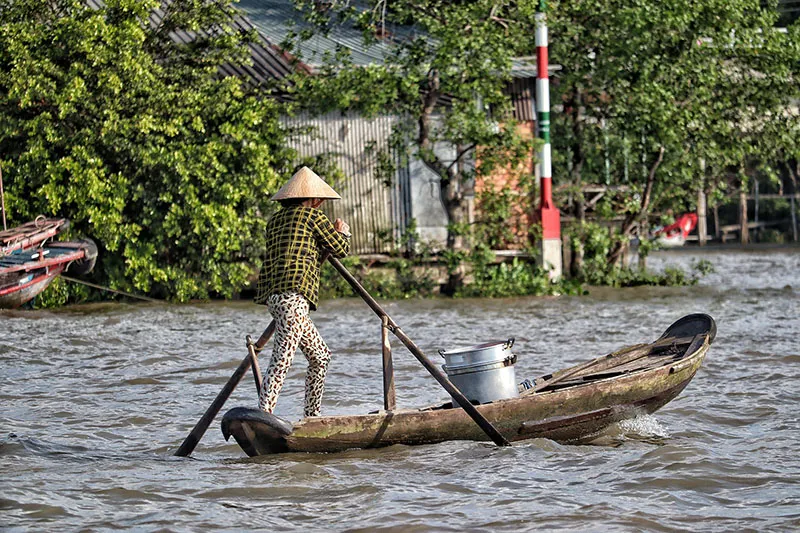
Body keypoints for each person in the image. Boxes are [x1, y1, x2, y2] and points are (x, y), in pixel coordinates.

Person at [254, 166, 351, 418]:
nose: (320, 205)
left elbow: (304, 251)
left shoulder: (274, 221)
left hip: (274, 297)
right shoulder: (312, 217)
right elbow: (339, 248)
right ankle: (264, 412)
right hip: (293, 298)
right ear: (315, 200)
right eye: (319, 201)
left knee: (321, 357)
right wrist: (342, 231)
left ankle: (312, 415)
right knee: (282, 358)